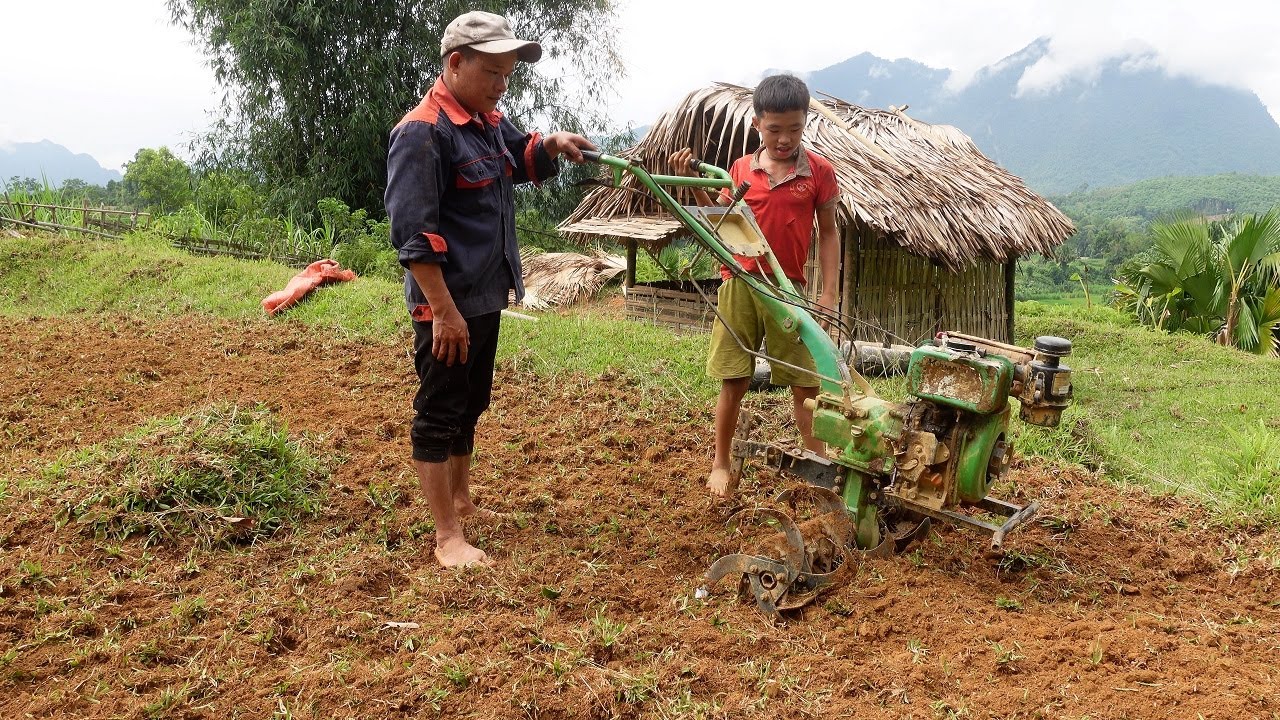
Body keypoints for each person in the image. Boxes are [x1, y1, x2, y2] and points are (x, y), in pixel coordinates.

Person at [385, 10, 595, 568]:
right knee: (439, 408)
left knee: (471, 404)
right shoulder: (423, 134)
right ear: (455, 64)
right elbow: (414, 240)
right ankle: (446, 536)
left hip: (485, 294)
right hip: (448, 302)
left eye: (508, 76)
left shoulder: (484, 119)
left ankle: (459, 498)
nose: (503, 86)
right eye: (493, 73)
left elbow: (520, 158)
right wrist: (443, 314)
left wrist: (550, 143)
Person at [670, 74, 841, 497]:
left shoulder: (818, 171)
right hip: (740, 281)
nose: (785, 139)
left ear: (805, 124)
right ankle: (721, 463)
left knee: (806, 383)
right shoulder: (741, 170)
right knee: (735, 379)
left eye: (795, 129)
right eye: (775, 129)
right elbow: (723, 223)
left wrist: (829, 293)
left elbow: (830, 232)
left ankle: (820, 469)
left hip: (787, 290)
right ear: (757, 124)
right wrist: (683, 185)